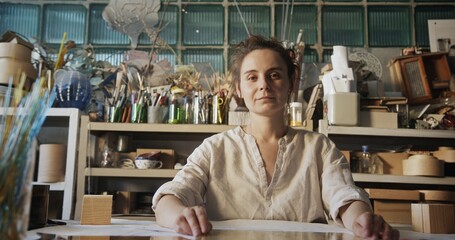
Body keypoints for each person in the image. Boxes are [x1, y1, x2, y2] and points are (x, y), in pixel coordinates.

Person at [152, 35, 400, 240]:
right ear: (238, 87)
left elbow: (344, 197)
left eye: (274, 75)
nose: (264, 85)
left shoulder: (319, 148)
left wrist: (362, 219)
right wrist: (179, 216)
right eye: (252, 77)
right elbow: (170, 198)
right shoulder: (214, 149)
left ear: (291, 82)